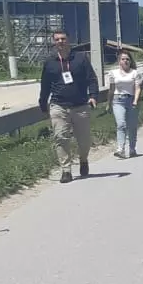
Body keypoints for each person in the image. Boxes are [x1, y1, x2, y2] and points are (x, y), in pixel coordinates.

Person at [37, 31, 98, 183]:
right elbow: (45, 85)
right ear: (54, 42)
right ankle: (66, 170)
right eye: (57, 39)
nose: (60, 42)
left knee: (84, 140)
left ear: (68, 40)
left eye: (63, 38)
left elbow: (91, 78)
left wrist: (93, 96)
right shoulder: (50, 62)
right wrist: (43, 103)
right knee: (61, 137)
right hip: (58, 105)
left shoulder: (80, 58)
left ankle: (83, 159)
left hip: (80, 105)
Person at [105, 50, 143, 159]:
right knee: (121, 124)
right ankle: (120, 149)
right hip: (117, 100)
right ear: (119, 61)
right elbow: (111, 89)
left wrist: (135, 100)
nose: (125, 61)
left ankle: (132, 148)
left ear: (130, 61)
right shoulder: (113, 73)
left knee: (132, 126)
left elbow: (138, 88)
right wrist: (109, 103)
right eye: (123, 59)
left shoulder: (135, 73)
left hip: (131, 100)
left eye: (127, 59)